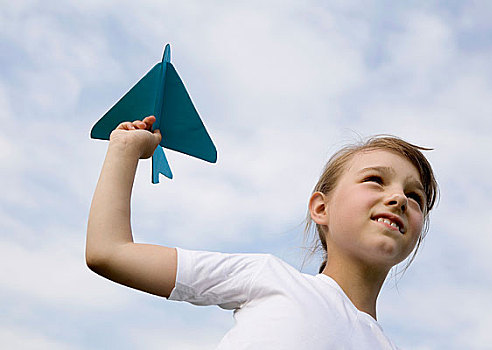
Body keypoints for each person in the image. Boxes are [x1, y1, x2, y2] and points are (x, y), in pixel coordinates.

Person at [86, 115, 438, 349]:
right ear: (321, 208)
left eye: (415, 197)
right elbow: (109, 252)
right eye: (375, 180)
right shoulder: (268, 278)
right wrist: (124, 149)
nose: (398, 198)